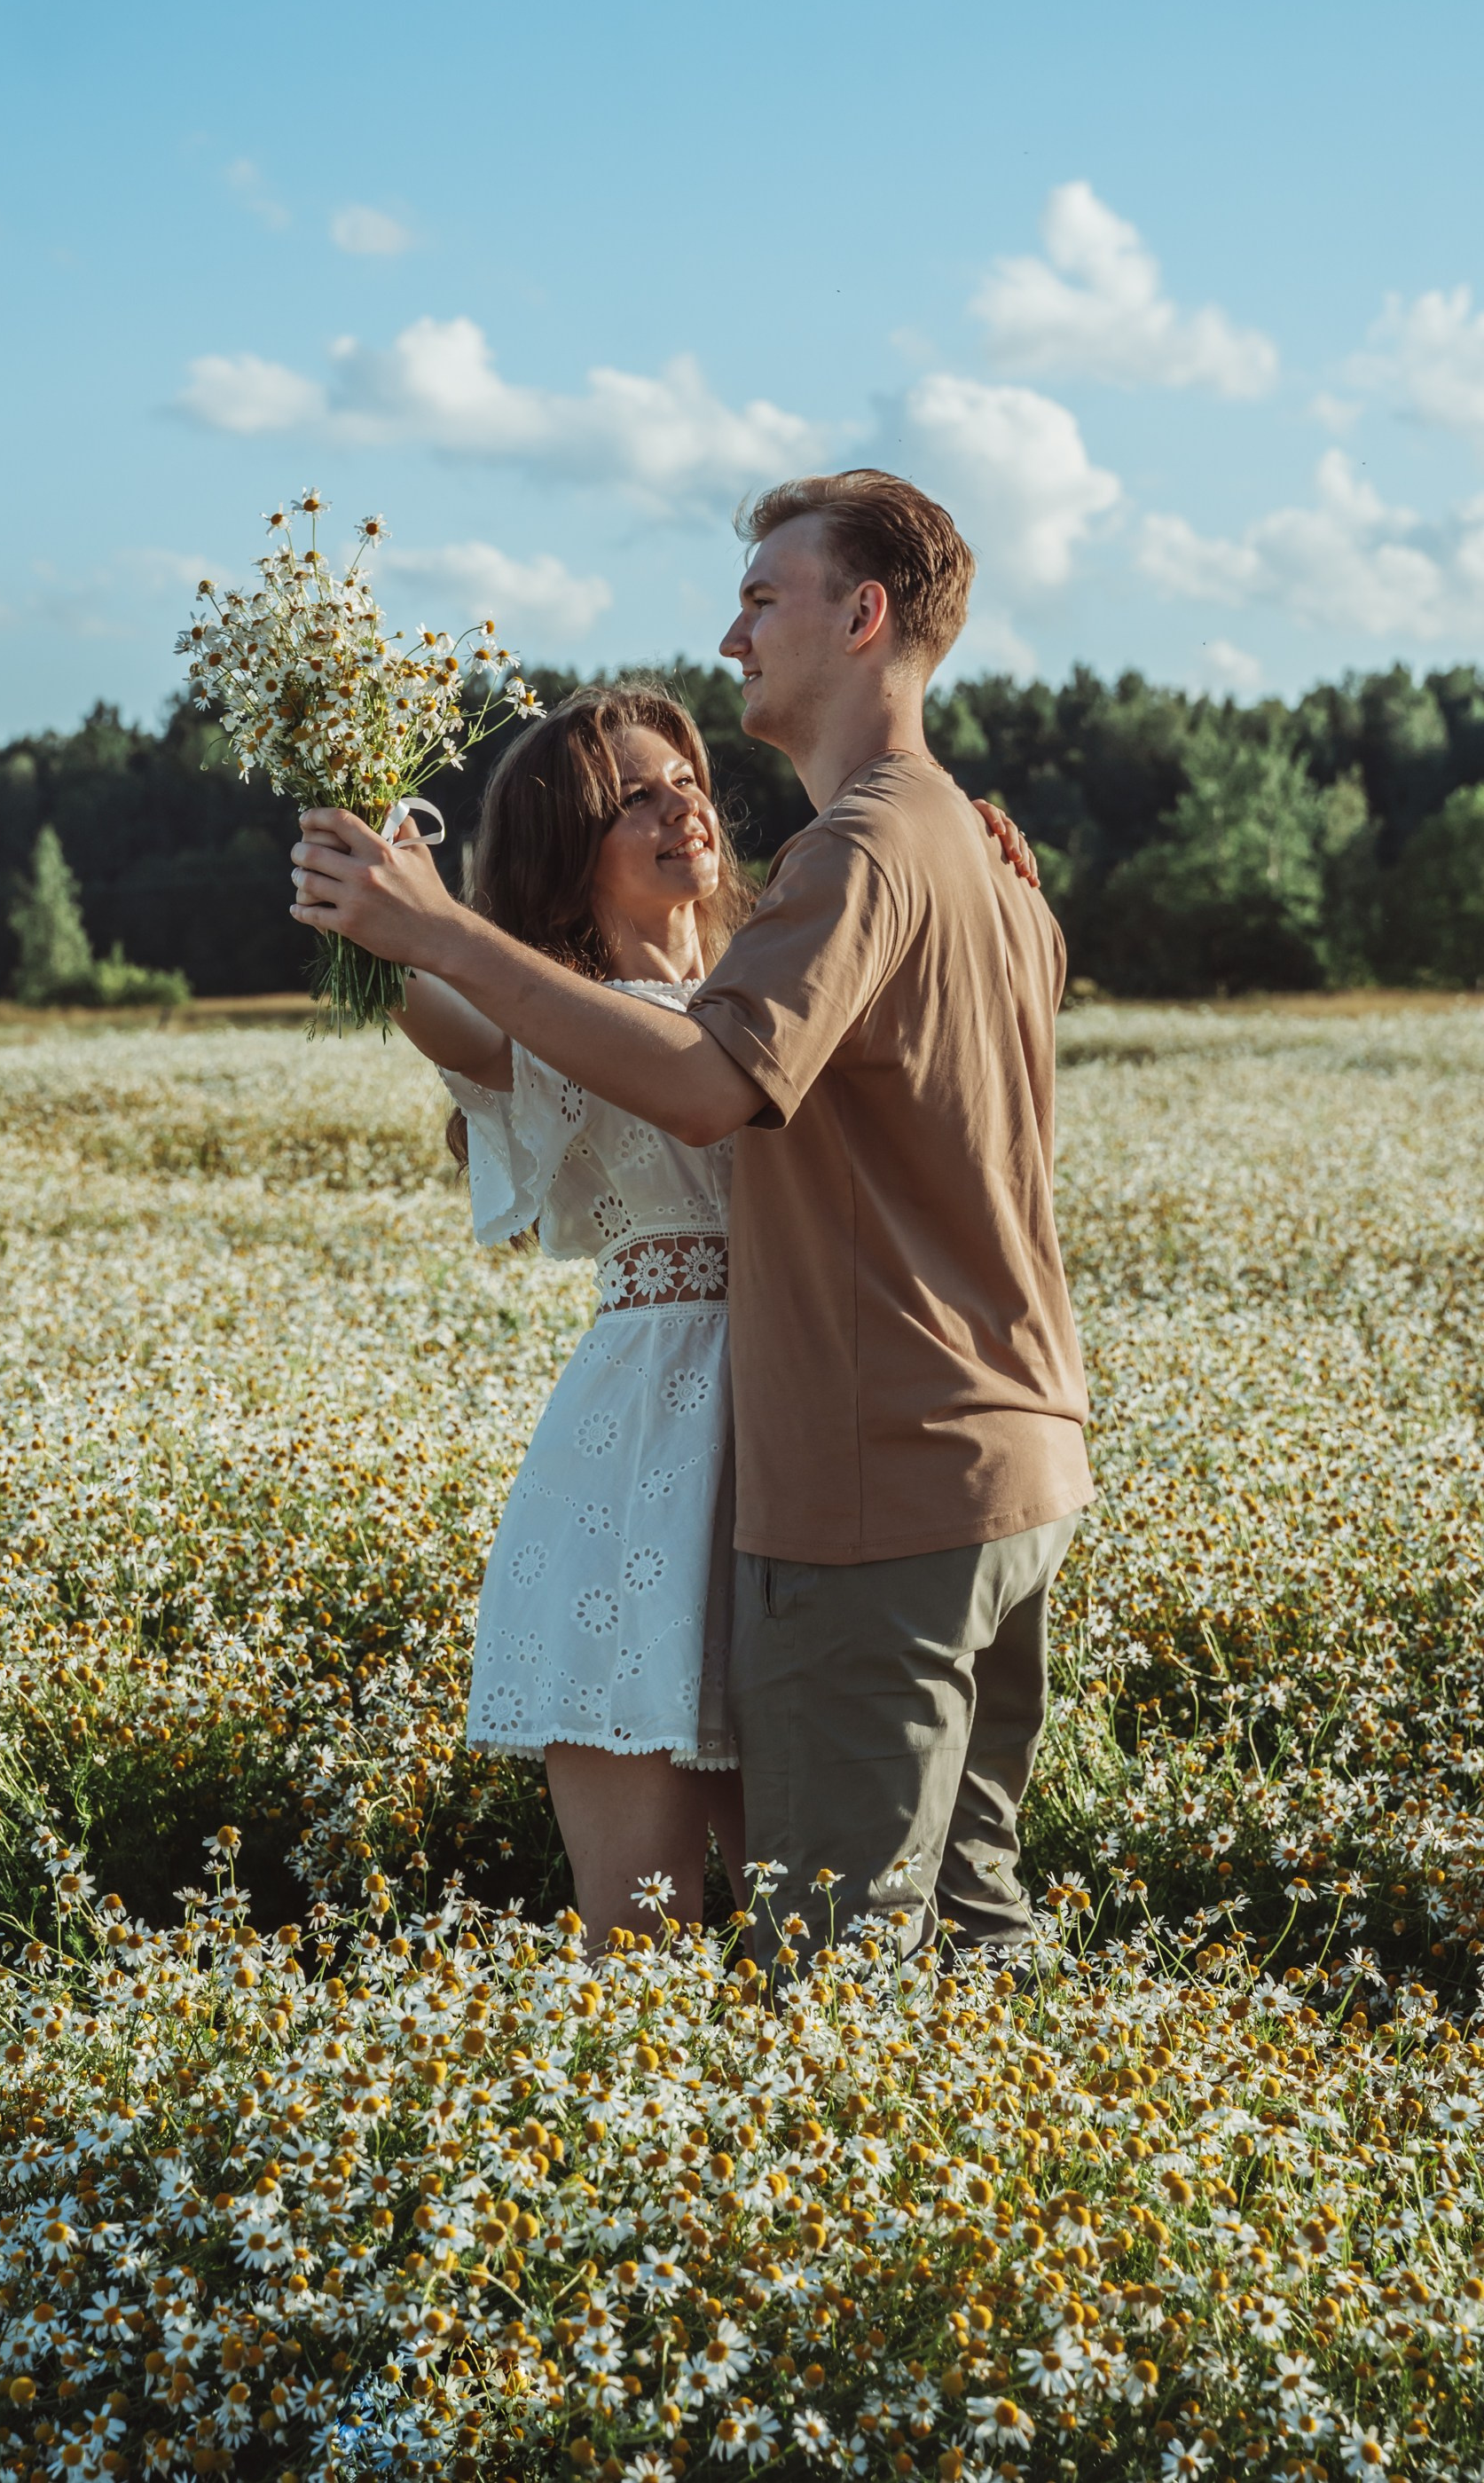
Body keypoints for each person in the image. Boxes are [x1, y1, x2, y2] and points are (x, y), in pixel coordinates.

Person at [293, 469, 1092, 1972]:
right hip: (750, 1461)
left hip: (855, 1463)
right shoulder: (908, 868)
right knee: (876, 1941)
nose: (734, 641)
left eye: (761, 601)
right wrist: (378, 903)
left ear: (862, 618)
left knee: (843, 1959)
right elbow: (461, 1016)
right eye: (630, 797)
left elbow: (715, 1078)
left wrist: (436, 923)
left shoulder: (856, 874)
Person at [374, 684, 750, 1953]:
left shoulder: (780, 985)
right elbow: (449, 1025)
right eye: (630, 798)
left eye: (685, 780)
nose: (678, 805)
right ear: (560, 853)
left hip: (811, 1439)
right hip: (645, 1461)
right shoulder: (551, 1020)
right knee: (644, 1932)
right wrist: (397, 926)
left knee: (821, 1921)